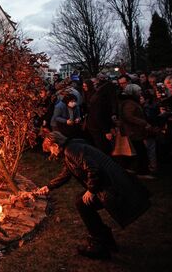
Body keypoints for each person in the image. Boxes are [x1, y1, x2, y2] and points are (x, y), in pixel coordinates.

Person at [37, 130, 150, 259]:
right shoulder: (73, 146)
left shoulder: (71, 150)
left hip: (112, 186)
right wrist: (49, 186)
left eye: (51, 150)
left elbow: (93, 168)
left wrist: (91, 190)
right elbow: (66, 173)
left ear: (56, 146)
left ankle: (99, 246)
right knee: (81, 203)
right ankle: (105, 241)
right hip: (109, 183)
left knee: (83, 204)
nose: (53, 154)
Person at [118, 84, 156, 178]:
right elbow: (129, 116)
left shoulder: (129, 102)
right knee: (140, 151)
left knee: (137, 151)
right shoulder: (129, 103)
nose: (140, 93)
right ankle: (142, 171)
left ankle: (133, 169)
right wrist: (143, 123)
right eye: (138, 91)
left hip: (133, 131)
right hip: (133, 131)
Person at [85, 73, 118, 155]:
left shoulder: (97, 97)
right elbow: (99, 116)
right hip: (97, 127)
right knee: (104, 148)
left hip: (96, 126)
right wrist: (107, 131)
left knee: (103, 147)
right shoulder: (100, 100)